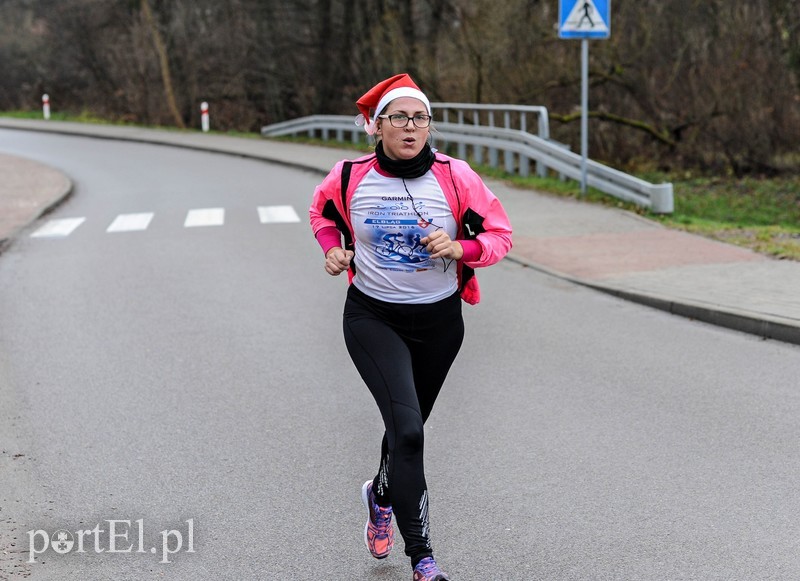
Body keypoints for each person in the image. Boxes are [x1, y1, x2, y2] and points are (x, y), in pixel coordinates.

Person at [308, 73, 512, 581]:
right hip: (373, 317)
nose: (410, 127)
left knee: (404, 430)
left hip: (441, 323)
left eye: (419, 118)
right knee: (411, 431)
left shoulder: (456, 176)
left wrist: (460, 248)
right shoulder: (349, 175)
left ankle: (380, 493)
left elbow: (499, 235)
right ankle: (423, 558)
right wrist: (332, 248)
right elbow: (322, 212)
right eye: (398, 118)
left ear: (429, 126)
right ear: (376, 128)